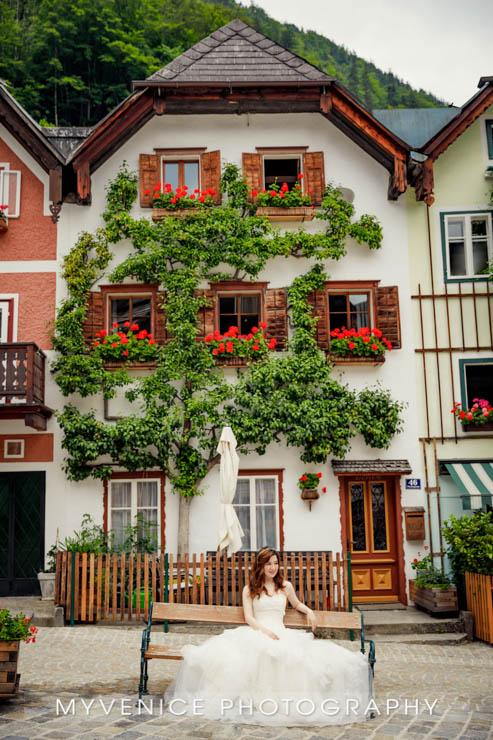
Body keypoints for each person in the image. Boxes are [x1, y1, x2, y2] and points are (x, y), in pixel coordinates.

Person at [164, 547, 371, 726]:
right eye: (268, 564)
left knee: (299, 660)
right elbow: (249, 618)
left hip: (281, 632)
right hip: (258, 632)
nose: (273, 567)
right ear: (260, 566)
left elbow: (296, 604)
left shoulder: (285, 586)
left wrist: (309, 611)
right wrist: (265, 632)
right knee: (255, 655)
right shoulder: (250, 589)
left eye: (275, 563)